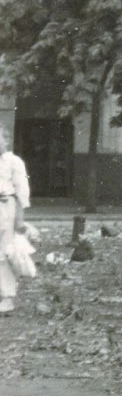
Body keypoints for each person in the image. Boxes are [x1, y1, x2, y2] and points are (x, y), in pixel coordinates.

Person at [0, 127, 32, 316]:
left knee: (5, 252)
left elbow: (21, 192)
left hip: (5, 207)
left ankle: (7, 296)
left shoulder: (14, 162)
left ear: (7, 139)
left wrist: (20, 220)